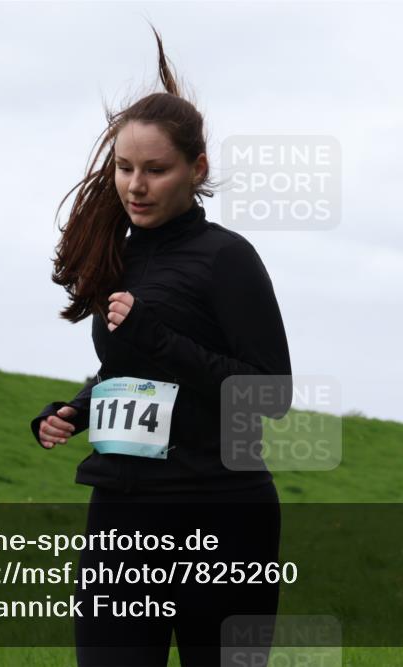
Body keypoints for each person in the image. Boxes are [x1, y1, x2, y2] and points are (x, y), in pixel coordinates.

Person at [28, 24, 292, 667]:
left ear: (196, 169)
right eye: (124, 169)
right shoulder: (115, 258)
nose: (135, 186)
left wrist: (160, 339)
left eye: (155, 170)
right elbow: (130, 370)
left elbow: (269, 393)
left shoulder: (227, 258)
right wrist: (77, 408)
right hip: (120, 516)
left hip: (221, 517)